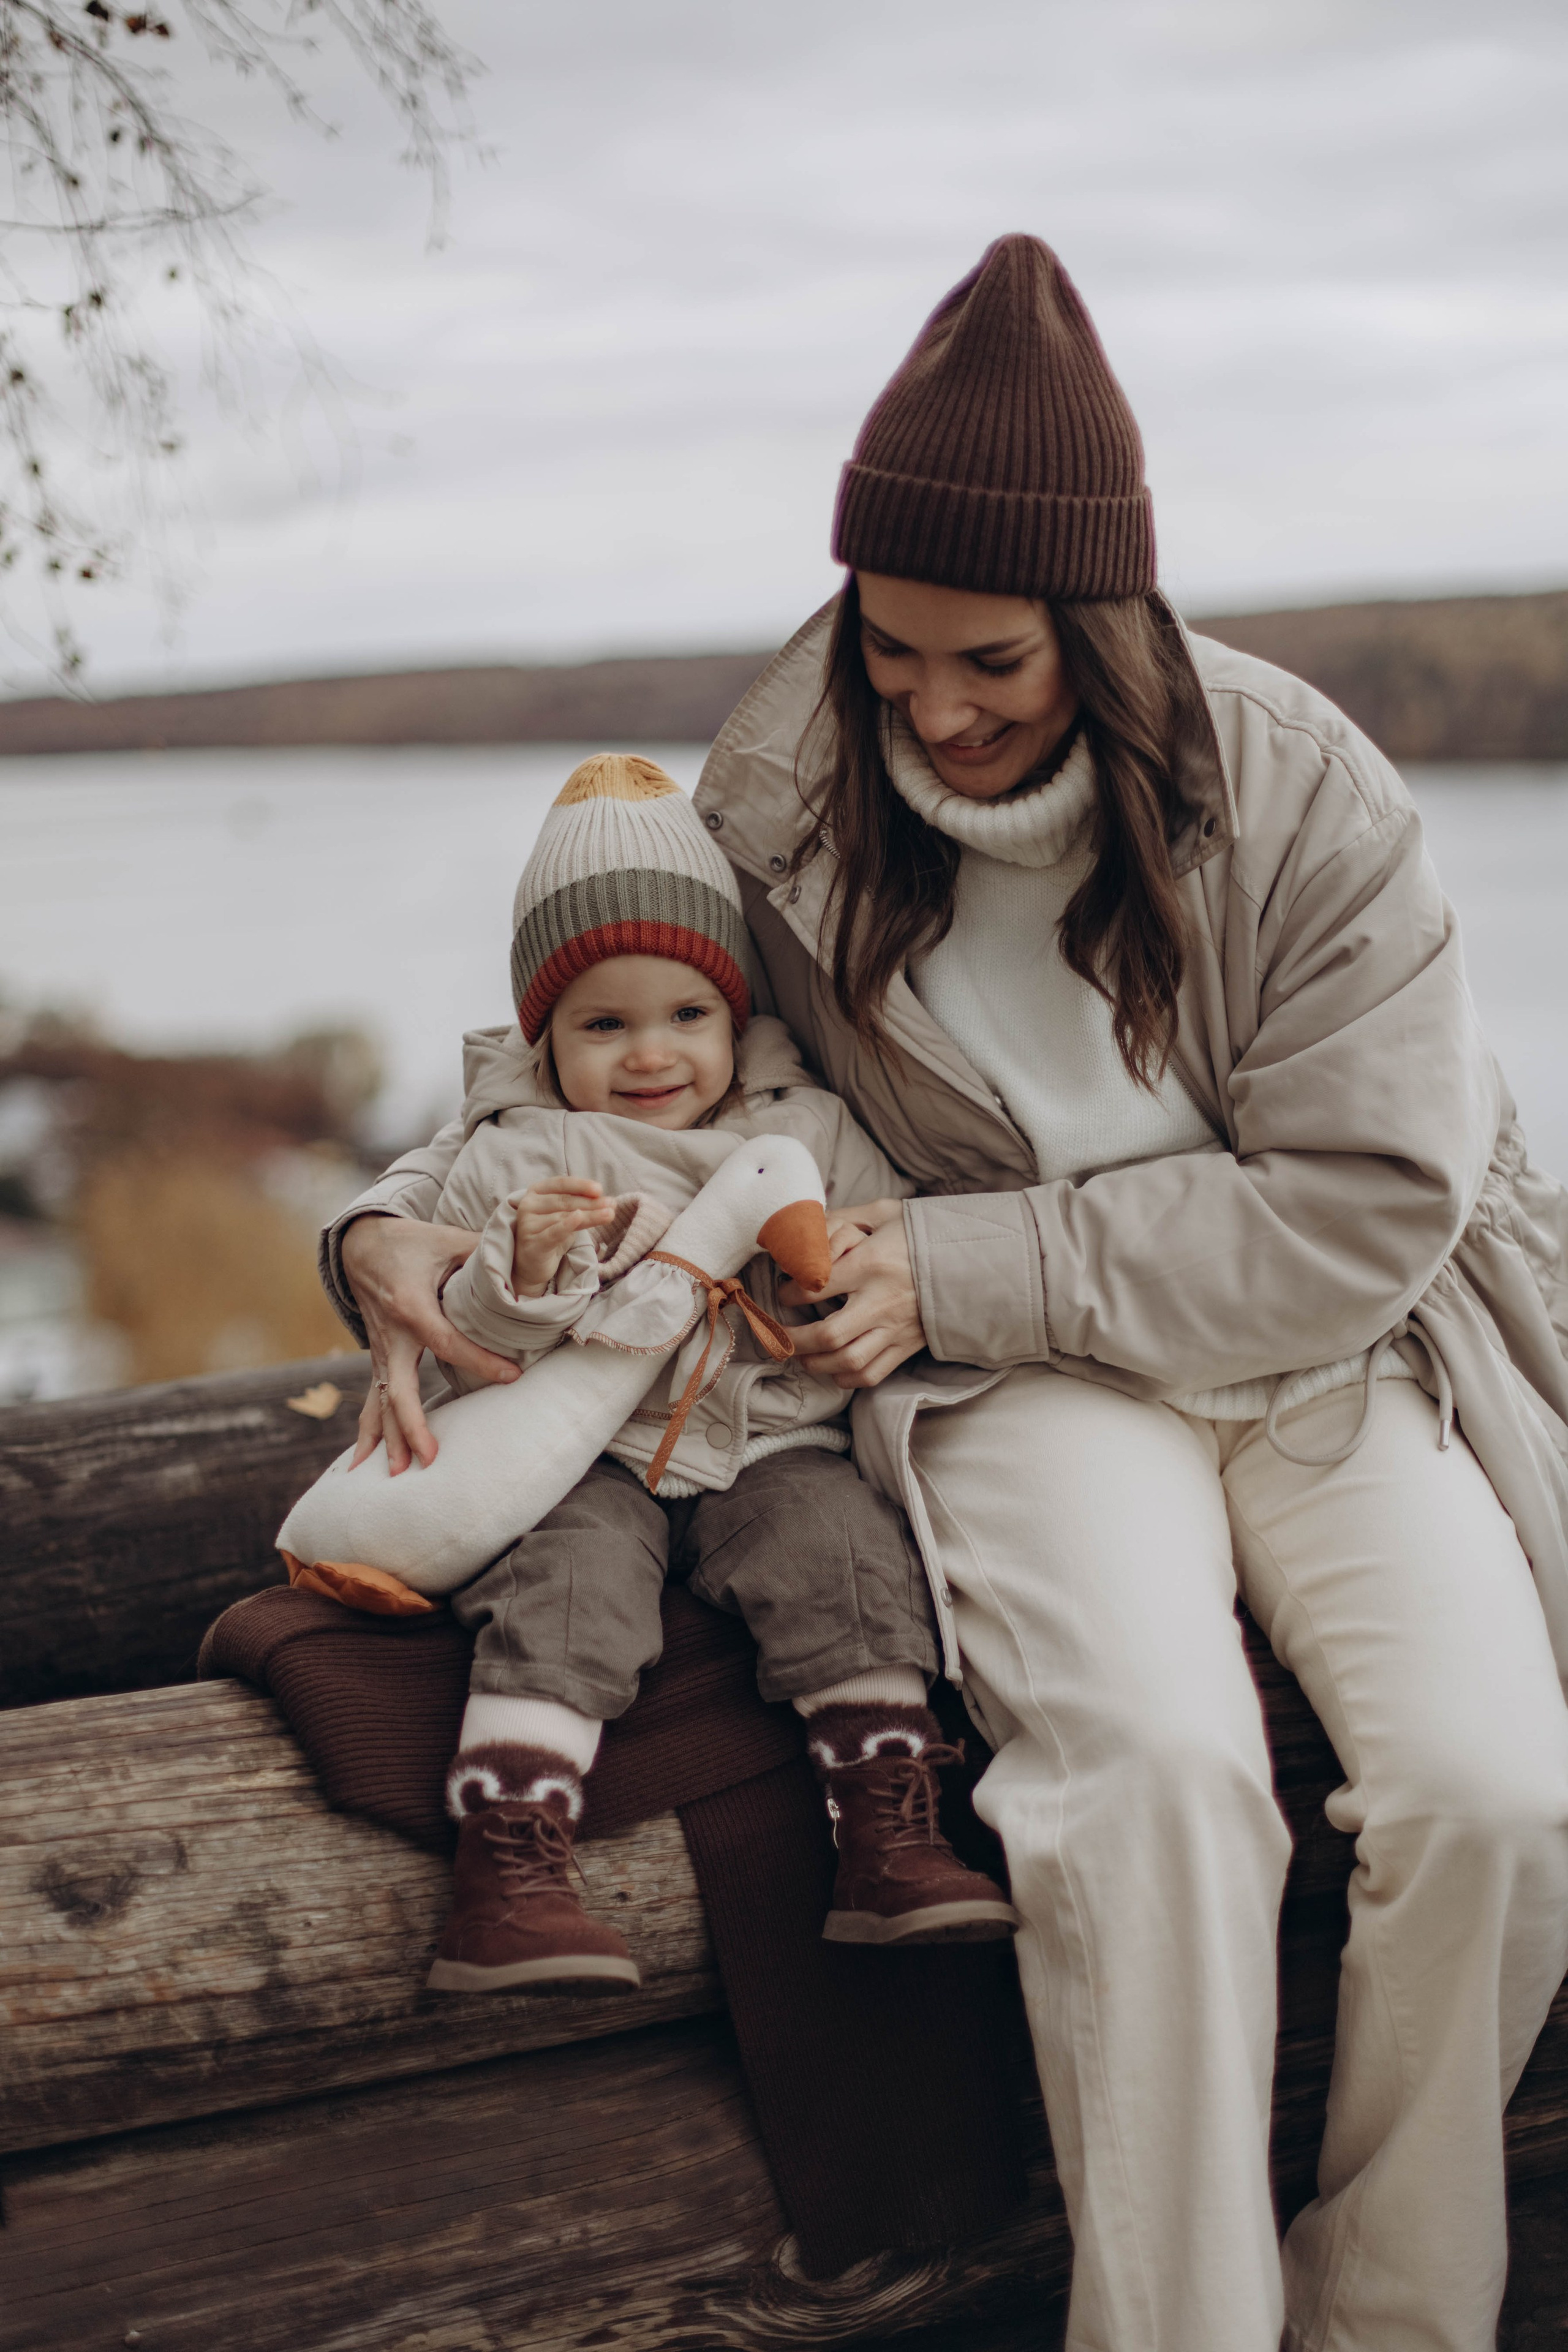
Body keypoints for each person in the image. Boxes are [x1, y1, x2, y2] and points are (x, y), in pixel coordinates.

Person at [324, 239, 1568, 2350]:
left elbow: (1374, 1196)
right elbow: (613, 1041)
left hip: (1316, 1345)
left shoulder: (1302, 787)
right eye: (887, 650)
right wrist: (375, 1225)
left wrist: (976, 1256)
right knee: (1157, 1782)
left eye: (989, 659)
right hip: (1007, 1383)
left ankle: (1394, 2311)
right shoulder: (781, 802)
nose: (933, 708)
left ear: (1108, 620)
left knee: (1499, 1797)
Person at [355, 750, 1017, 1996]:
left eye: (686, 1016)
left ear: (735, 1012)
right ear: (546, 1033)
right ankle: (509, 1868)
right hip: (584, 1450)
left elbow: (875, 1253)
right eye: (603, 1024)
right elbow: (474, 1334)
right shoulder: (515, 1154)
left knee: (840, 1551)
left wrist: (827, 1289)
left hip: (765, 1435)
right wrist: (521, 1272)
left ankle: (886, 1828)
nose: (650, 1055)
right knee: (566, 1582)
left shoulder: (805, 1126)